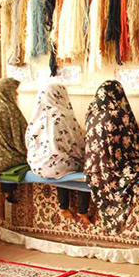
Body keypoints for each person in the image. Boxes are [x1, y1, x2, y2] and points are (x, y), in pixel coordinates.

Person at [84, 80, 139, 234]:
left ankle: (108, 221)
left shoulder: (90, 114)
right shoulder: (119, 114)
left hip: (93, 173)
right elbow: (131, 144)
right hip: (114, 168)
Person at [25, 84, 91, 224]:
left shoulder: (36, 115)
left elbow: (28, 141)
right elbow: (76, 144)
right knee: (83, 165)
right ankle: (82, 209)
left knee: (59, 161)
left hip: (37, 165)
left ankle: (63, 207)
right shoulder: (63, 115)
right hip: (59, 166)